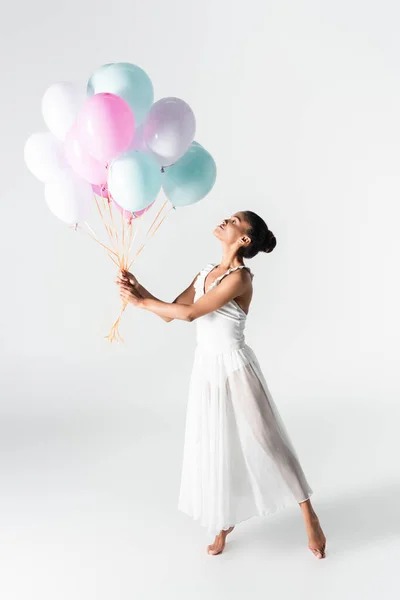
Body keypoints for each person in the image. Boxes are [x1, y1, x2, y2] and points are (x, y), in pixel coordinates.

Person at [116, 211, 326, 559]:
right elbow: (171, 312)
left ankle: (310, 515)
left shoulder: (240, 278)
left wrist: (139, 302)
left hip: (235, 366)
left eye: (234, 220)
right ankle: (223, 520)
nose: (225, 221)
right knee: (215, 443)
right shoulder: (204, 273)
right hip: (207, 368)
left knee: (267, 439)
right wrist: (139, 289)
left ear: (244, 239)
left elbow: (191, 314)